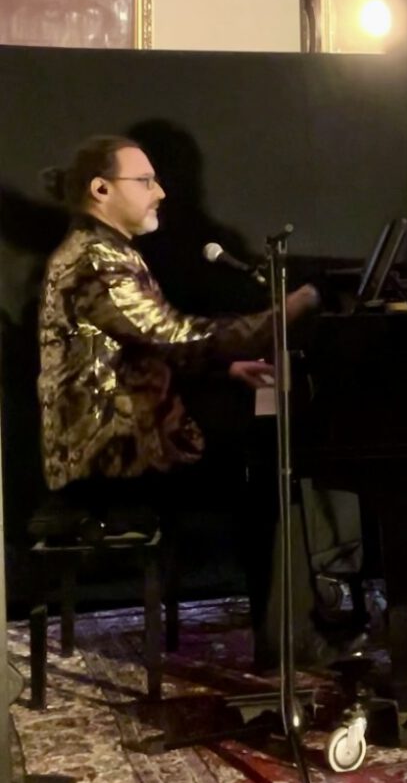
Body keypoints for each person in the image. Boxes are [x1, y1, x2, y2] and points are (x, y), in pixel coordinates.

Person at [36, 134, 322, 666]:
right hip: (111, 452)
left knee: (266, 454)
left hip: (125, 432)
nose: (161, 192)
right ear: (101, 189)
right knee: (268, 473)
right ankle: (288, 644)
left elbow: (145, 342)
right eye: (146, 181)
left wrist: (225, 366)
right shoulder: (95, 259)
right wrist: (283, 315)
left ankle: (294, 627)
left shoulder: (108, 249)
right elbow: (171, 335)